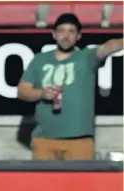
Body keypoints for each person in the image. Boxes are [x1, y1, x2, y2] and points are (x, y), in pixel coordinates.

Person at [17, 13, 123, 160]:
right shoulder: (39, 60)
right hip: (44, 139)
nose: (66, 36)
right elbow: (22, 91)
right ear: (53, 34)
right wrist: (41, 93)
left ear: (79, 36)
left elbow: (109, 47)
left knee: (81, 183)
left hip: (79, 140)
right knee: (43, 183)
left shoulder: (87, 57)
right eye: (61, 31)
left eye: (71, 31)